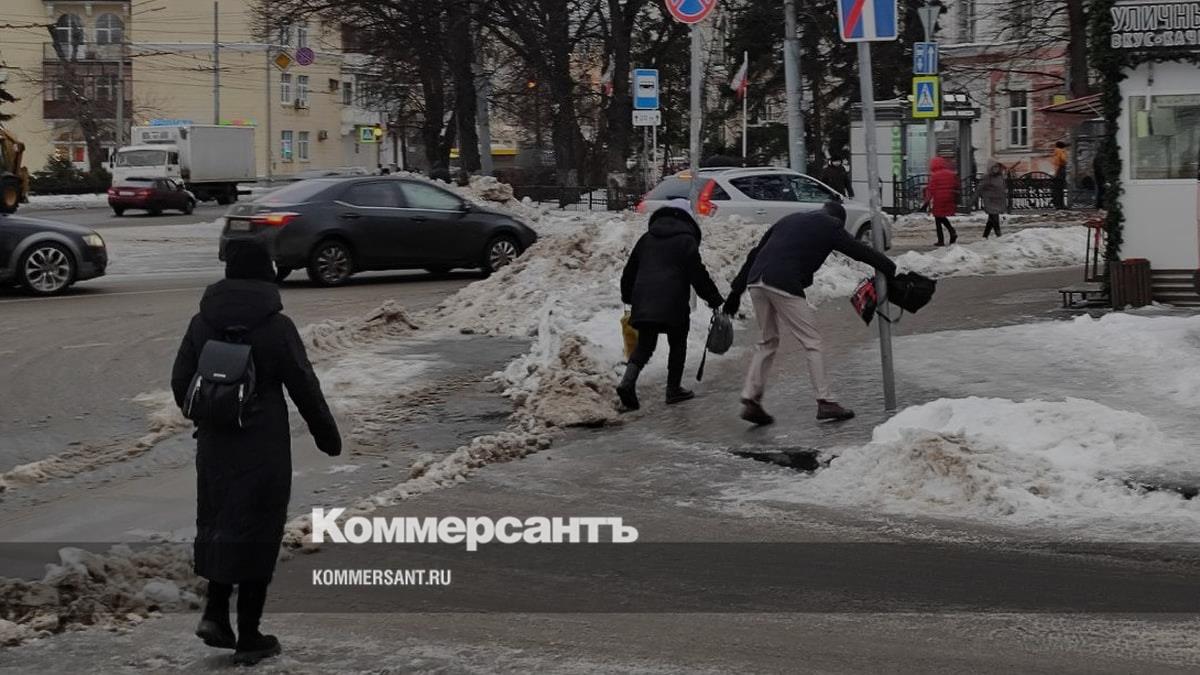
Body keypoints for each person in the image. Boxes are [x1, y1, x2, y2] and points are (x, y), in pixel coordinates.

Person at [171, 239, 341, 666]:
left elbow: (180, 382)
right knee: (259, 532)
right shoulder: (276, 326)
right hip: (263, 445)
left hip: (214, 444)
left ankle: (214, 613)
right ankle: (249, 635)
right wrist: (326, 435)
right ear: (266, 273)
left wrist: (211, 415)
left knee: (218, 522)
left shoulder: (201, 321)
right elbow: (303, 384)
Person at [723, 202, 897, 425]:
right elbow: (858, 251)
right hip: (782, 282)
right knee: (812, 341)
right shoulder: (831, 226)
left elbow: (754, 254)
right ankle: (826, 401)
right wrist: (888, 267)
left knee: (767, 341)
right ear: (839, 220)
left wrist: (735, 293)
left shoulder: (789, 219)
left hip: (756, 280)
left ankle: (751, 398)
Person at [617, 199, 724, 411]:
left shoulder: (646, 239)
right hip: (673, 302)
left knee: (645, 345)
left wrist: (628, 297)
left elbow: (629, 272)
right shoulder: (686, 241)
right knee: (678, 343)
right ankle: (673, 389)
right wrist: (714, 299)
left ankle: (627, 382)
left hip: (644, 300)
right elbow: (698, 275)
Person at [925, 156, 958, 246]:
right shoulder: (950, 174)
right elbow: (956, 184)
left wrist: (926, 201)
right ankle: (952, 232)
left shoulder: (935, 176)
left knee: (938, 218)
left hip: (939, 199)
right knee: (941, 217)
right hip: (949, 198)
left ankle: (942, 239)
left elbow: (931, 189)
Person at [974, 161, 1007, 238]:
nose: (996, 169)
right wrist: (973, 200)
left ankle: (985, 236)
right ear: (990, 168)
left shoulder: (1000, 177)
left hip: (998, 201)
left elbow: (1002, 188)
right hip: (990, 201)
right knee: (995, 219)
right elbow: (979, 189)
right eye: (994, 167)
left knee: (991, 220)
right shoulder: (987, 177)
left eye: (997, 167)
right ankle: (999, 235)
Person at [1052, 141, 1069, 209]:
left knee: (1057, 189)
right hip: (1061, 170)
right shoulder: (1061, 151)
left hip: (1057, 171)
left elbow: (1055, 162)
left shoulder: (1055, 152)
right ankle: (1061, 205)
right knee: (1061, 188)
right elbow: (1064, 159)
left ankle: (1057, 204)